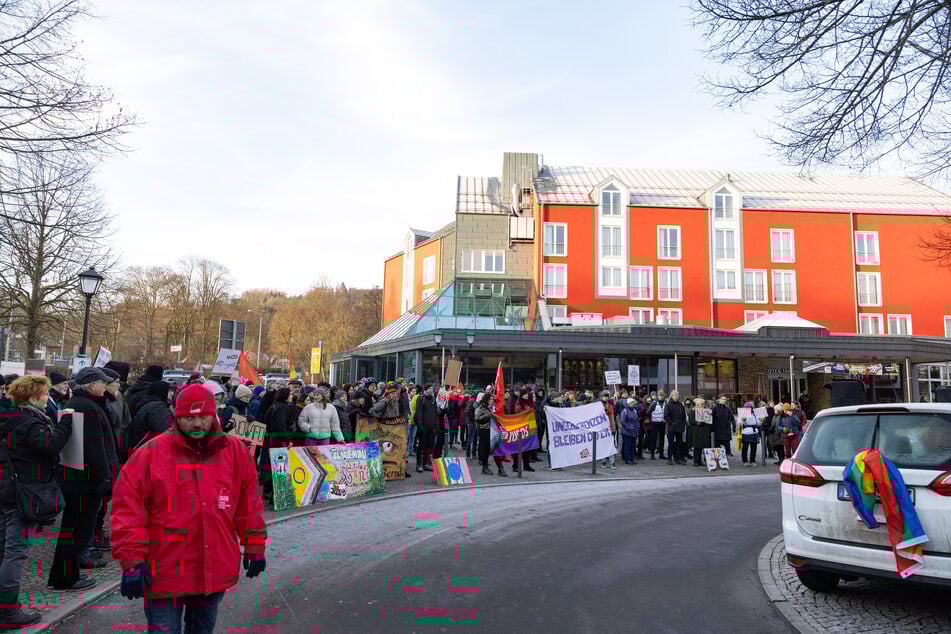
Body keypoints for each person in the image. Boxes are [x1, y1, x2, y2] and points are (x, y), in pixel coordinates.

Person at [112, 383, 267, 634]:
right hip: (165, 570)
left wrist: (254, 545)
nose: (197, 424)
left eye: (203, 416)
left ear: (214, 414)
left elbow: (248, 506)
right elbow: (128, 510)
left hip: (213, 568)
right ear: (177, 417)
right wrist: (131, 559)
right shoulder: (149, 455)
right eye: (189, 417)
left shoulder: (236, 453)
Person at [0, 376, 73, 627]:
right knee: (15, 553)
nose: (47, 398)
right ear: (32, 397)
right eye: (43, 394)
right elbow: (50, 446)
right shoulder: (30, 423)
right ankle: (8, 611)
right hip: (24, 493)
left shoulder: (9, 418)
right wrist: (66, 423)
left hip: (7, 489)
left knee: (4, 550)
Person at [49, 367, 117, 589]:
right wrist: (105, 478)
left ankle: (63, 576)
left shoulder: (78, 404)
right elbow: (94, 447)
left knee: (72, 530)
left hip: (77, 477)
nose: (105, 386)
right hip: (86, 481)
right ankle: (67, 578)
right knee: (78, 531)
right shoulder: (87, 406)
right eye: (102, 382)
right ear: (92, 385)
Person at [261, 387, 295, 502]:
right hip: (280, 440)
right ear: (285, 395)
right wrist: (288, 439)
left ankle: (270, 492)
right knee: (279, 467)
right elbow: (281, 425)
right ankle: (278, 497)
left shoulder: (275, 404)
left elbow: (266, 417)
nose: (292, 396)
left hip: (273, 438)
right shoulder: (283, 407)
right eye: (290, 394)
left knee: (273, 465)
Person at [474, 391, 505, 476]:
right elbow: (477, 418)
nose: (492, 400)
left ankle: (500, 468)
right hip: (484, 430)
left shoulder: (491, 408)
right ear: (486, 399)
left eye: (492, 399)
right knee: (486, 449)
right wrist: (490, 415)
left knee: (495, 448)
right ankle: (485, 467)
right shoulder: (480, 408)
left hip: (493, 430)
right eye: (490, 399)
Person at [413, 385, 437, 472]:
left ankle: (426, 463)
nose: (431, 390)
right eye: (429, 388)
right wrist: (420, 426)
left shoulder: (434, 400)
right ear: (425, 390)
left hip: (431, 426)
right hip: (423, 426)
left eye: (432, 388)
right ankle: (419, 464)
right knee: (421, 446)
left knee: (429, 446)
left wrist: (435, 426)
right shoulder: (421, 399)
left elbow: (435, 413)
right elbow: (418, 413)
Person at [664, 390, 688, 465]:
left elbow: (683, 415)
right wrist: (672, 422)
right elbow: (666, 416)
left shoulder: (680, 404)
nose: (677, 396)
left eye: (678, 394)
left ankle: (677, 458)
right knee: (671, 443)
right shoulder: (668, 405)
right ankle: (669, 458)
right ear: (672, 395)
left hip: (679, 427)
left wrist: (683, 423)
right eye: (675, 394)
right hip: (672, 427)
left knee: (679, 443)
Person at [690, 397, 712, 466]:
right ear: (698, 404)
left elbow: (709, 419)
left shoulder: (706, 411)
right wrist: (697, 423)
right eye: (701, 404)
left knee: (703, 446)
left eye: (703, 404)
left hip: (705, 431)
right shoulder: (693, 411)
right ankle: (696, 461)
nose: (703, 405)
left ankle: (700, 461)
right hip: (697, 431)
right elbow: (691, 420)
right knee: (697, 447)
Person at [645, 390, 666, 459]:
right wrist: (651, 419)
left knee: (662, 439)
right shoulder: (654, 403)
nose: (660, 397)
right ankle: (652, 454)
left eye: (662, 396)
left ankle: (661, 454)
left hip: (662, 423)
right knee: (654, 438)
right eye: (659, 395)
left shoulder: (665, 403)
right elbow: (648, 412)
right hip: (655, 423)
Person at [599, 390, 617, 470]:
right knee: (603, 446)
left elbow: (612, 417)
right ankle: (603, 461)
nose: (605, 398)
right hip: (601, 428)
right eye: (604, 396)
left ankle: (612, 463)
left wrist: (613, 427)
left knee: (610, 445)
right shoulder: (598, 406)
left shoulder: (610, 406)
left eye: (607, 396)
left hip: (609, 428)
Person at [620, 398, 639, 465]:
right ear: (628, 404)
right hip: (627, 432)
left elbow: (637, 420)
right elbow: (622, 421)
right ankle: (627, 459)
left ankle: (631, 459)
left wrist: (637, 428)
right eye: (632, 402)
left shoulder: (634, 411)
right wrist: (628, 428)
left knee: (633, 446)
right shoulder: (624, 411)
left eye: (633, 402)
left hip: (634, 431)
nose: (633, 404)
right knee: (627, 446)